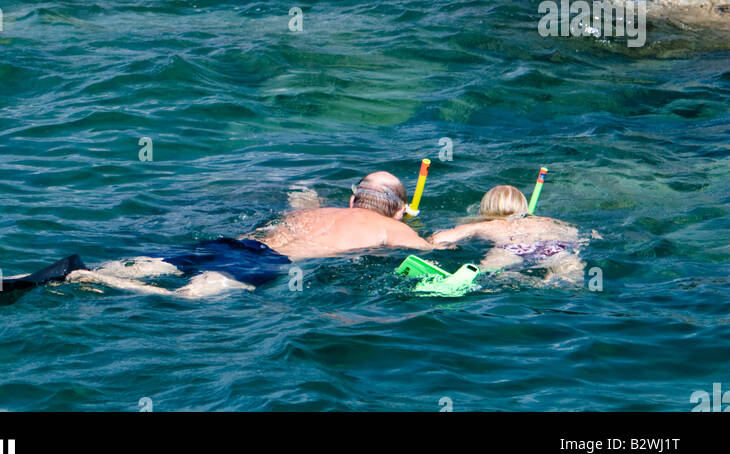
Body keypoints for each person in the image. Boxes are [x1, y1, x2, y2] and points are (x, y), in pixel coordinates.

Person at [64, 170, 430, 300]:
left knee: (156, 265)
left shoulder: (311, 211)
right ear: (400, 211)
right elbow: (433, 249)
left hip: (236, 243)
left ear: (352, 200)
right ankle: (103, 283)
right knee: (191, 297)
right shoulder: (390, 227)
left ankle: (85, 272)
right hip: (266, 262)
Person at [426, 183, 585, 282]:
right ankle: (553, 281)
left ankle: (525, 281)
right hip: (551, 247)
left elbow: (440, 239)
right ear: (523, 207)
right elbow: (573, 233)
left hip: (510, 249)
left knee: (486, 276)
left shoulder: (481, 225)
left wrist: (434, 242)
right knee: (571, 279)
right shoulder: (543, 221)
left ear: (486, 208)